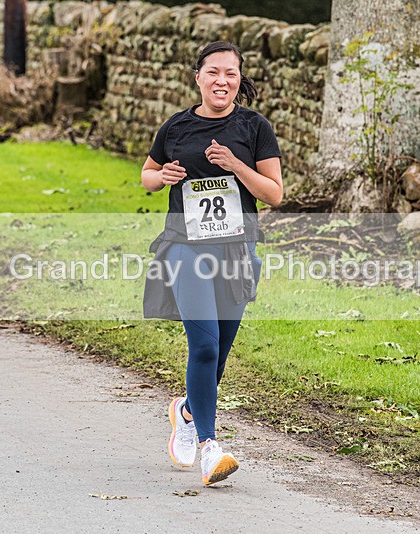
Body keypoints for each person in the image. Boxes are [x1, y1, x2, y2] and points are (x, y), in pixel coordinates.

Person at [140, 41, 283, 486]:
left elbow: (274, 193)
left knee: (218, 351)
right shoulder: (177, 127)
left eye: (231, 74)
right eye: (214, 73)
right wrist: (160, 177)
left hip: (238, 252)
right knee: (201, 346)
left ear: (240, 80)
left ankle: (186, 410)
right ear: (198, 77)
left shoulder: (254, 127)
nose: (223, 81)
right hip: (186, 247)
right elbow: (146, 175)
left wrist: (236, 164)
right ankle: (209, 447)